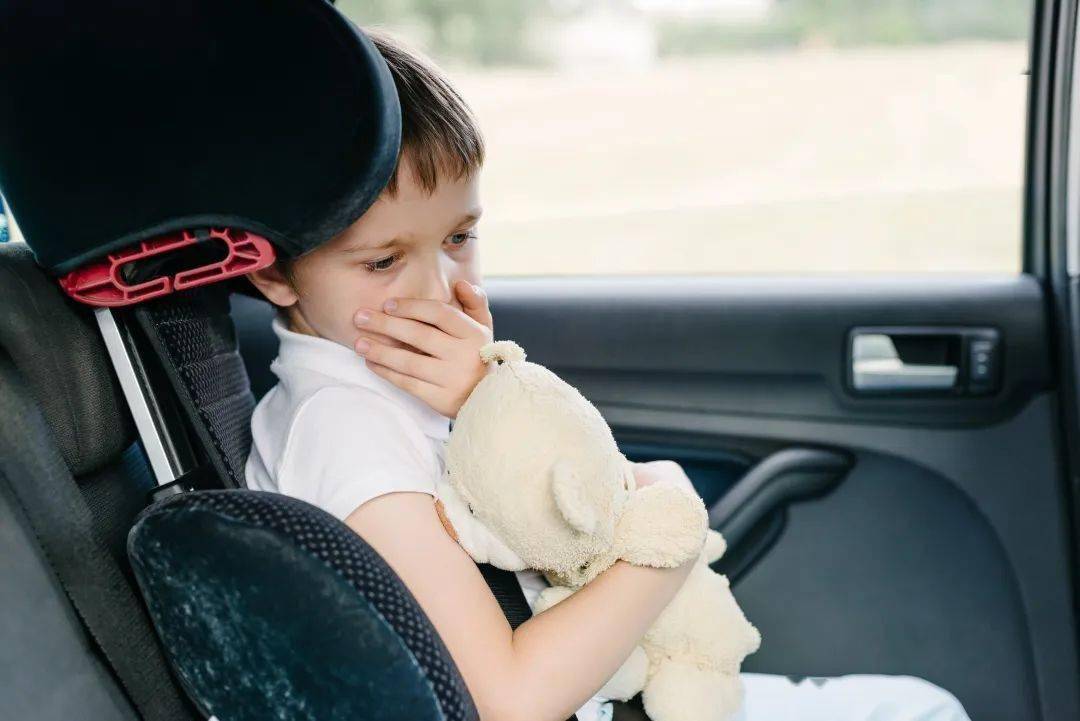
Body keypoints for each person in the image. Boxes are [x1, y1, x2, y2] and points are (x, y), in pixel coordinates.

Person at [245, 28, 970, 721]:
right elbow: (509, 700)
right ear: (276, 269)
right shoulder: (346, 432)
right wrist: (669, 539)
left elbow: (552, 507)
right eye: (383, 260)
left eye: (460, 238)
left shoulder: (399, 390)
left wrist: (490, 399)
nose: (441, 289)